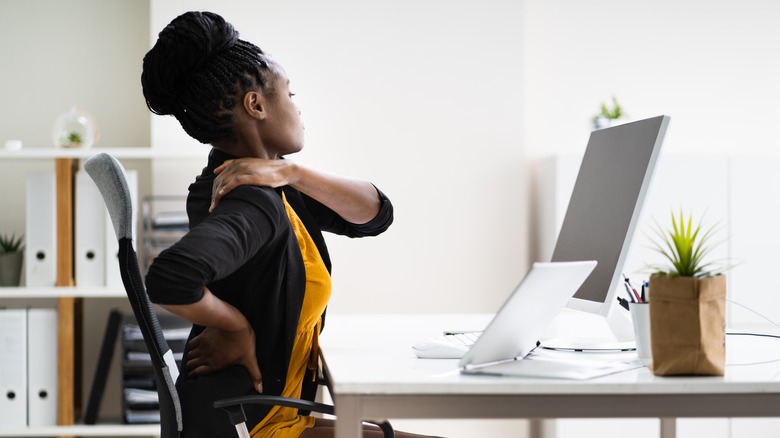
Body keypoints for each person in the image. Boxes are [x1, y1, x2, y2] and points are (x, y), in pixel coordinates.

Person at [141, 11, 439, 438]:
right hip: (254, 423)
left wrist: (294, 174)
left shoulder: (266, 181)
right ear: (256, 105)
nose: (298, 108)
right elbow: (170, 277)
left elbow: (375, 215)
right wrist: (234, 324)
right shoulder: (251, 200)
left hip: (268, 413)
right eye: (289, 93)